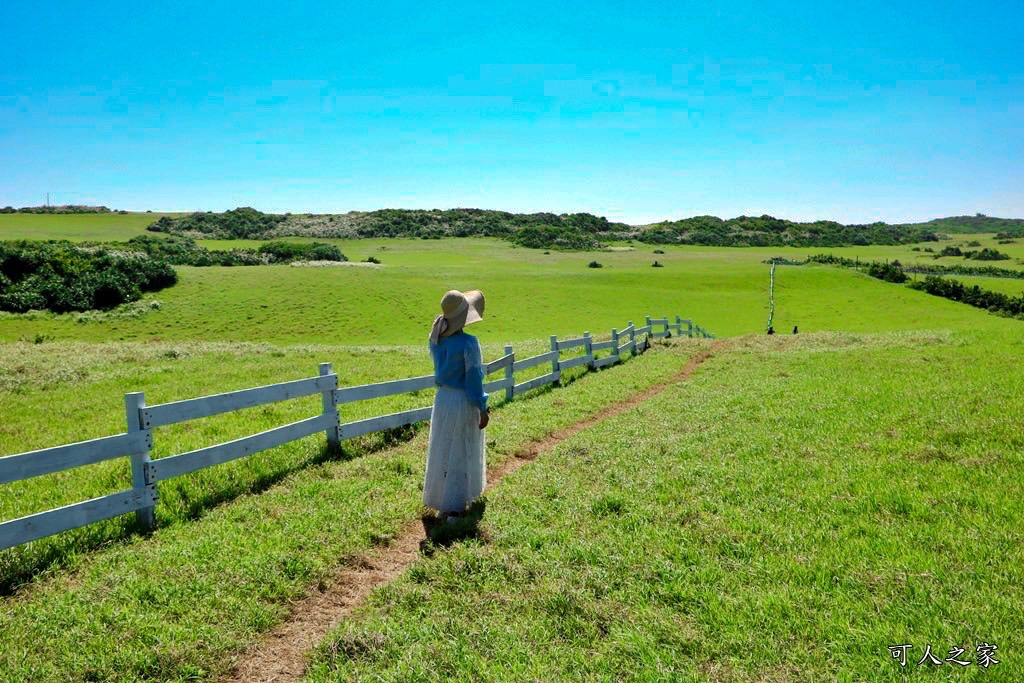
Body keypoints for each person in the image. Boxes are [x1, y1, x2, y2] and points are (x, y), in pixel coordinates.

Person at [423, 289, 489, 523]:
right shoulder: (469, 343)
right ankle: (456, 506)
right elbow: (473, 379)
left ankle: (443, 501)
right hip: (462, 399)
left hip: (442, 400)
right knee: (461, 447)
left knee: (444, 446)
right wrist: (482, 406)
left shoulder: (436, 339)